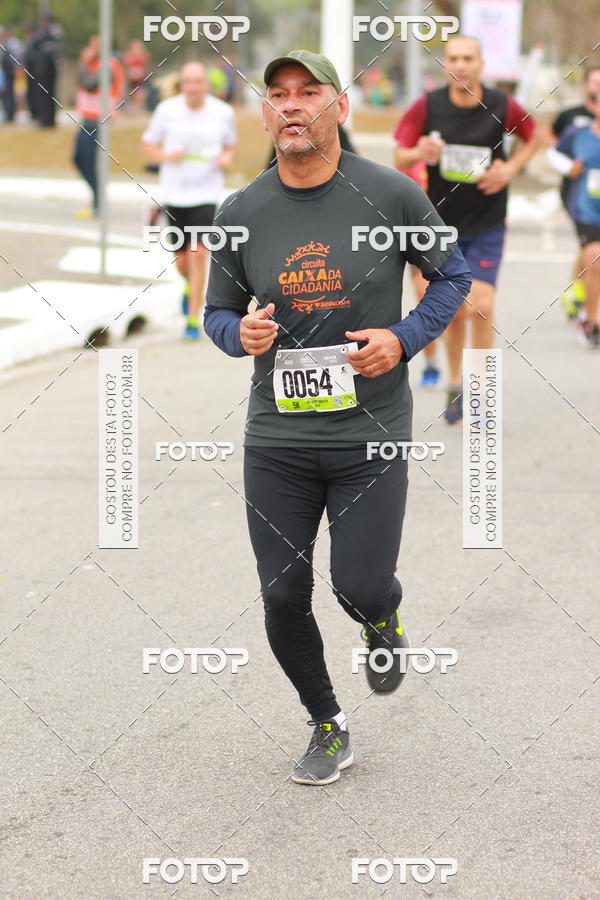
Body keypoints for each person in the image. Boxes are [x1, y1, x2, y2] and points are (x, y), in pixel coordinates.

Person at [204, 50, 471, 785]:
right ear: (265, 114)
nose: (293, 106)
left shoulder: (390, 194)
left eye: (310, 93)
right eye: (279, 96)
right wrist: (240, 336)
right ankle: (328, 722)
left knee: (356, 586)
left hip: (370, 435)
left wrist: (404, 337)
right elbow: (216, 314)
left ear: (339, 109)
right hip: (278, 438)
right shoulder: (241, 211)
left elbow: (453, 276)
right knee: (285, 592)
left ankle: (382, 616)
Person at [394, 35, 538, 423]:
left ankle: (481, 389)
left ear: (481, 63)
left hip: (488, 220)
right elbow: (400, 152)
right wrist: (419, 152)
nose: (460, 65)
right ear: (445, 65)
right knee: (455, 311)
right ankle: (455, 383)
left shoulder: (503, 105)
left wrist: (510, 169)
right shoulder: (428, 106)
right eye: (453, 58)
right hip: (441, 224)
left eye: (468, 58)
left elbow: (531, 136)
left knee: (483, 306)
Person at [141, 61, 237, 341]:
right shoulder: (166, 111)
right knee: (182, 261)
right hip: (175, 195)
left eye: (198, 81)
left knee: (198, 254)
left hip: (206, 194)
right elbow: (148, 146)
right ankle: (189, 287)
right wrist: (165, 157)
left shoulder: (222, 113)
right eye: (188, 82)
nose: (193, 87)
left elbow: (230, 146)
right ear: (182, 85)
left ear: (206, 85)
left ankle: (193, 319)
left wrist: (227, 159)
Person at [550, 89, 600, 347]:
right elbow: (553, 153)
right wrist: (567, 167)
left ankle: (580, 301)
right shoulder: (578, 134)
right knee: (594, 259)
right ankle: (592, 320)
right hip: (587, 210)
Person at [72, 36, 125, 217]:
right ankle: (97, 198)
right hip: (88, 118)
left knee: (88, 160)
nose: (90, 49)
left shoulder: (108, 65)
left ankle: (99, 201)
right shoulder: (94, 64)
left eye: (95, 46)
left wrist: (84, 62)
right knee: (79, 159)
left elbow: (89, 84)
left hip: (98, 120)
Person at [0, 24, 22, 123]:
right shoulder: (5, 43)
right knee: (6, 93)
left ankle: (10, 114)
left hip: (9, 71)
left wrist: (16, 67)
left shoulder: (12, 43)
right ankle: (8, 113)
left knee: (8, 93)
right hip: (5, 71)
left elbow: (16, 56)